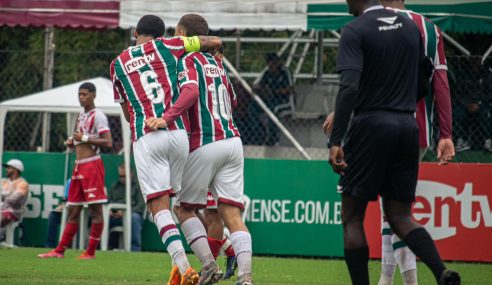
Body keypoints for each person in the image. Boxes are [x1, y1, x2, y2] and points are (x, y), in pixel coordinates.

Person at [327, 1, 460, 284]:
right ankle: (441, 271)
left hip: (370, 125)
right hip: (407, 126)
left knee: (352, 217)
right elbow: (425, 81)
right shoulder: (412, 29)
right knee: (400, 216)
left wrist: (337, 138)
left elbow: (349, 86)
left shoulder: (354, 30)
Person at [110, 14, 222, 285]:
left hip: (148, 135)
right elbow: (215, 40)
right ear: (162, 35)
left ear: (136, 31)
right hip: (179, 134)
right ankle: (209, 264)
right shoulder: (170, 45)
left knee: (158, 207)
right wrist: (202, 47)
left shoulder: (118, 64)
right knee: (181, 206)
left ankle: (185, 267)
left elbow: (126, 112)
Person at [145, 14, 253, 285]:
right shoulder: (219, 65)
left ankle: (208, 266)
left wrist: (167, 117)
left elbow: (191, 91)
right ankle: (246, 277)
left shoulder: (188, 60)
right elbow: (234, 100)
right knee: (232, 214)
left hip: (206, 142)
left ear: (182, 33)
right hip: (233, 141)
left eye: (176, 33)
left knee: (183, 210)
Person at [39, 82, 112, 259]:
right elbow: (80, 138)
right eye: (79, 94)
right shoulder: (81, 115)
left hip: (92, 166)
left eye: (85, 94)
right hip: (79, 166)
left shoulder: (99, 115)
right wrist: (73, 142)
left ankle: (90, 252)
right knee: (73, 210)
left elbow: (108, 142)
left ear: (93, 95)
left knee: (95, 211)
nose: (81, 97)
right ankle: (59, 250)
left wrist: (84, 138)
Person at [255, 53, 294, 145]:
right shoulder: (267, 73)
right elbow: (261, 87)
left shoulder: (284, 72)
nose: (272, 65)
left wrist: (275, 91)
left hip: (283, 101)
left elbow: (291, 89)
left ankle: (273, 137)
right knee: (252, 108)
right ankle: (259, 134)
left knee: (273, 109)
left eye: (274, 63)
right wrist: (261, 90)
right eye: (270, 63)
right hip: (268, 99)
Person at [107, 164, 145, 252]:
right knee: (102, 217)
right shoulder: (114, 187)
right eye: (120, 176)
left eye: (125, 176)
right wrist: (111, 212)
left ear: (131, 174)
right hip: (115, 216)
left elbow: (141, 205)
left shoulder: (138, 186)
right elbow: (108, 202)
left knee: (134, 217)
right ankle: (104, 247)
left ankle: (135, 250)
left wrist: (126, 213)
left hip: (133, 214)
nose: (122, 178)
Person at [1, 159, 29, 228]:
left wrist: (2, 196)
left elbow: (13, 200)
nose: (6, 170)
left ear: (16, 170)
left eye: (9, 168)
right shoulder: (3, 181)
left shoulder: (23, 184)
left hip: (13, 211)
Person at [44, 178, 71, 248]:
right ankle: (50, 244)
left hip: (85, 212)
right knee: (53, 216)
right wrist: (61, 206)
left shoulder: (91, 181)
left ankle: (77, 246)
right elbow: (65, 199)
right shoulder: (70, 181)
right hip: (70, 210)